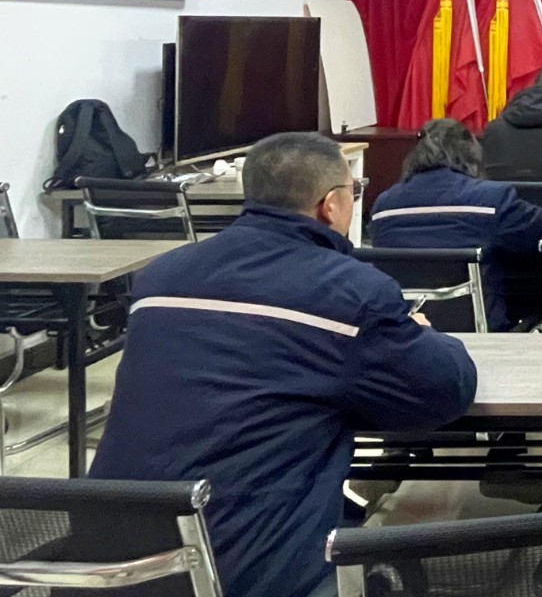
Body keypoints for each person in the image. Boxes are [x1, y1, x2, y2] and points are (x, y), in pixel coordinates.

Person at [90, 132, 476, 597]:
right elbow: (446, 391)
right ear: (330, 205)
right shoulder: (351, 293)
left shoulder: (159, 277)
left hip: (108, 566)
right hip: (242, 570)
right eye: (354, 191)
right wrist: (423, 334)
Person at [370, 118, 542, 331]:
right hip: (480, 332)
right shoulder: (490, 200)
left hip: (405, 330)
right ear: (471, 154)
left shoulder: (383, 206)